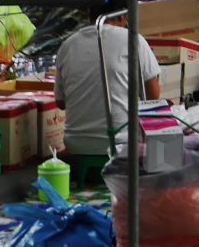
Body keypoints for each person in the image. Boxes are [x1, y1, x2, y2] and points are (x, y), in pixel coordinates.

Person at [55, 17, 163, 158]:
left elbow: (61, 103)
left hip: (76, 143)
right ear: (122, 16)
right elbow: (152, 97)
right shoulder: (133, 40)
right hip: (122, 142)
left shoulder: (67, 45)